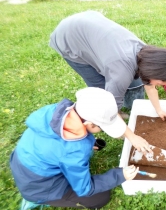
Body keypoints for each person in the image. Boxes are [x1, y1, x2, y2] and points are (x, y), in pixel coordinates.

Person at [49, 10, 166, 153]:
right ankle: (108, 116)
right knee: (101, 90)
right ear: (155, 73)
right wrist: (132, 136)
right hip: (70, 37)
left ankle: (117, 113)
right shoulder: (121, 73)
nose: (160, 86)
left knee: (111, 85)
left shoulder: (149, 57)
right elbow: (108, 101)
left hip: (90, 27)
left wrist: (159, 110)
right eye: (162, 83)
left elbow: (150, 85)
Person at [10, 87, 139, 209]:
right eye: (102, 127)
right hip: (39, 186)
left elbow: (63, 143)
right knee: (101, 197)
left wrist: (88, 144)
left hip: (24, 161)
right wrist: (118, 175)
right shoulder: (74, 151)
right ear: (89, 124)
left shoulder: (59, 111)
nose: (101, 131)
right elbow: (85, 189)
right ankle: (41, 200)